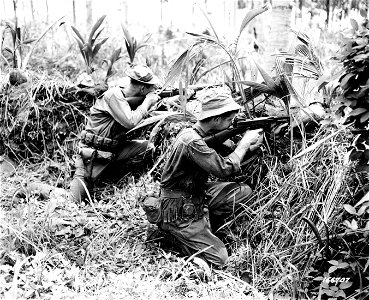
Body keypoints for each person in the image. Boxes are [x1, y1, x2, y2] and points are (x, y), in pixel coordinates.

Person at [158, 87, 264, 267]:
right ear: (216, 119)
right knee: (220, 259)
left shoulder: (197, 135)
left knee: (243, 192)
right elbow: (223, 169)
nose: (232, 124)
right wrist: (244, 143)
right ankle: (177, 233)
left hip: (196, 192)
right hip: (179, 206)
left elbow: (222, 157)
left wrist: (248, 148)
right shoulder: (192, 141)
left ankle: (204, 225)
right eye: (229, 120)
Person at [69, 65, 161, 203]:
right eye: (151, 88)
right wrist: (147, 101)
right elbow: (131, 121)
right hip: (91, 155)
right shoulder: (113, 95)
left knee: (149, 147)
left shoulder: (129, 99)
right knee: (73, 203)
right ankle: (44, 190)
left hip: (113, 151)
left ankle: (118, 179)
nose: (154, 91)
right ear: (142, 89)